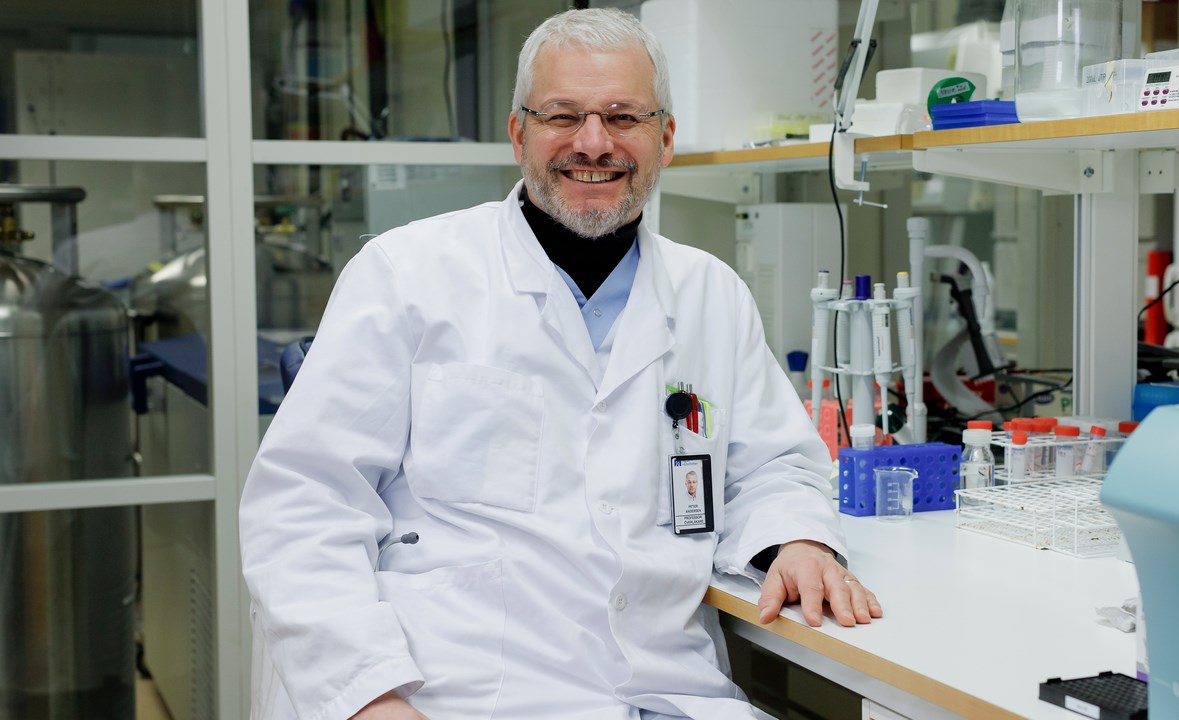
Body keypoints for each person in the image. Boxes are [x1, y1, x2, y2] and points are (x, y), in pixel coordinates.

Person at [239, 8, 880, 720]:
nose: (594, 143)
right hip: (458, 695)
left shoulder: (711, 294)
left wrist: (797, 536)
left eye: (623, 117)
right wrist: (368, 698)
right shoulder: (406, 275)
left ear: (666, 139)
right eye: (563, 115)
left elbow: (774, 463)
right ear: (519, 133)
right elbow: (303, 507)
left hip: (667, 690)